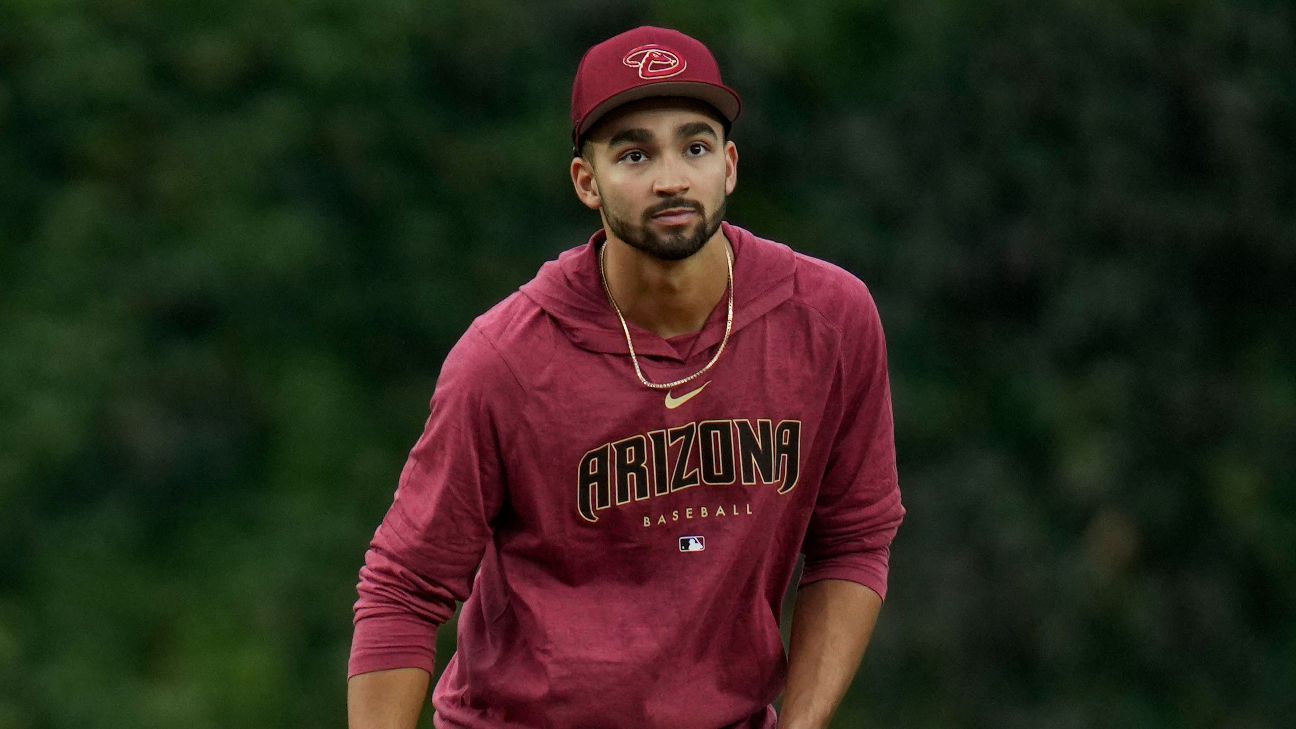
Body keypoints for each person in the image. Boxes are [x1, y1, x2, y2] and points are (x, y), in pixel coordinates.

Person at [347, 26, 905, 729]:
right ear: (587, 181)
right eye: (635, 153)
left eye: (695, 146)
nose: (671, 177)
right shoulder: (505, 361)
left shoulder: (828, 320)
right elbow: (404, 588)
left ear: (729, 166)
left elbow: (853, 538)